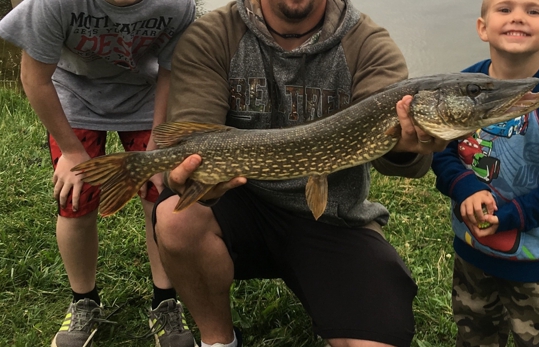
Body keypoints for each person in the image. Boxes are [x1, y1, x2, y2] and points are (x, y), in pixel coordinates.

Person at [152, 0, 451, 346]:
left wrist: (405, 146)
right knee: (176, 219)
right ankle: (218, 340)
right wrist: (199, 179)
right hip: (242, 200)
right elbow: (195, 137)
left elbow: (396, 161)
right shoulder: (212, 34)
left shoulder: (368, 44)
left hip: (331, 218)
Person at [0, 0, 197, 346]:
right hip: (74, 97)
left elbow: (171, 73)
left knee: (160, 197)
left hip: (145, 98)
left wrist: (155, 147)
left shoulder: (178, 5)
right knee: (74, 199)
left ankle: (165, 302)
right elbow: (33, 78)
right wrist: (72, 152)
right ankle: (83, 301)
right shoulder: (53, 3)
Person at [432, 0, 539, 346]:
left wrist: (511, 216)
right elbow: (441, 151)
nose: (518, 16)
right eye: (505, 8)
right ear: (482, 27)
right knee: (473, 333)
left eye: (533, 11)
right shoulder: (459, 89)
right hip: (471, 250)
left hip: (531, 264)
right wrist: (466, 187)